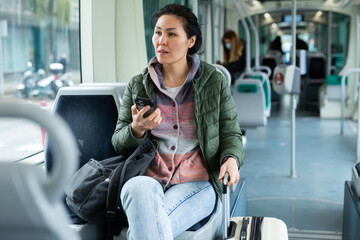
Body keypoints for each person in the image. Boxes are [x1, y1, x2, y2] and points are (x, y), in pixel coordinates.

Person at [111, 4, 244, 240]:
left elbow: (230, 133)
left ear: (190, 41)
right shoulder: (138, 85)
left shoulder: (214, 81)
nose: (161, 40)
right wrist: (136, 129)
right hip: (149, 177)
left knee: (144, 228)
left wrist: (231, 159)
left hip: (197, 183)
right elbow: (118, 142)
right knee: (135, 187)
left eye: (171, 34)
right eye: (158, 32)